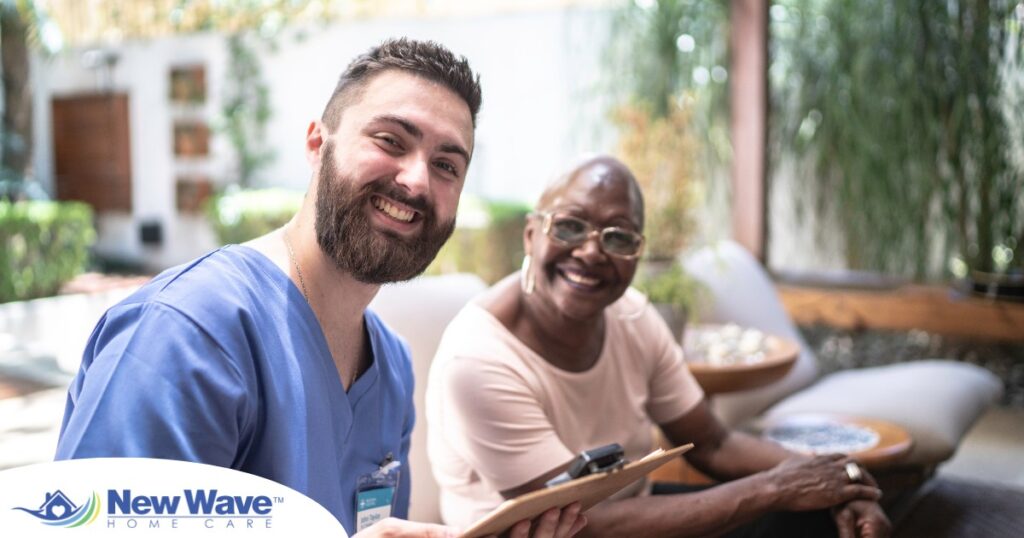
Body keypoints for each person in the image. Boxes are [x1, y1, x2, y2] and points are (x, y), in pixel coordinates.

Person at [55, 38, 584, 538]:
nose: (418, 181)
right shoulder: (187, 333)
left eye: (446, 165)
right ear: (316, 144)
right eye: (390, 141)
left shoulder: (392, 368)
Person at [425, 155, 892, 538]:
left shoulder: (632, 315)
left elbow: (714, 442)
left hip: (630, 516)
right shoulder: (479, 360)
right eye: (569, 227)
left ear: (637, 254)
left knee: (817, 521)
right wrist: (775, 488)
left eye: (618, 237)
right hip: (557, 533)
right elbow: (577, 521)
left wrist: (839, 483)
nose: (591, 252)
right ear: (531, 234)